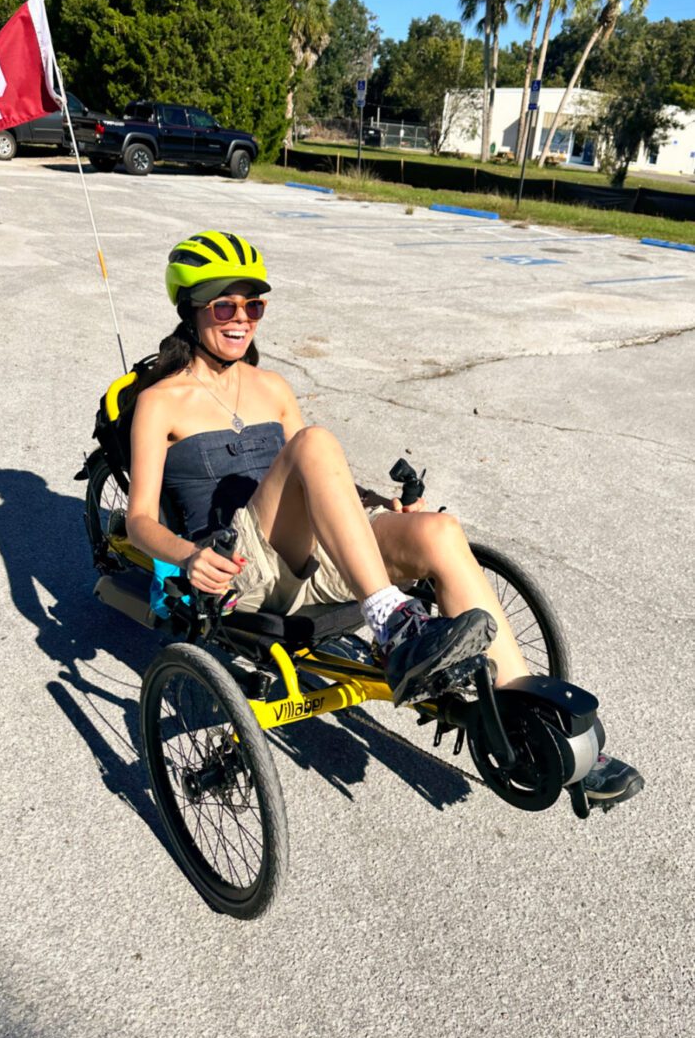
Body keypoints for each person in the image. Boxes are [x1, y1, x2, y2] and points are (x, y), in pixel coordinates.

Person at [126, 230, 644, 809]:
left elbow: (317, 479)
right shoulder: (159, 401)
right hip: (242, 567)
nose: (242, 318)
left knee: (440, 532)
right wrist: (188, 556)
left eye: (254, 306)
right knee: (315, 441)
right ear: (191, 310)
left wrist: (375, 505)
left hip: (310, 553)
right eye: (225, 306)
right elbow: (139, 520)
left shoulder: (272, 387)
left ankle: (528, 727)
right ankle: (393, 624)